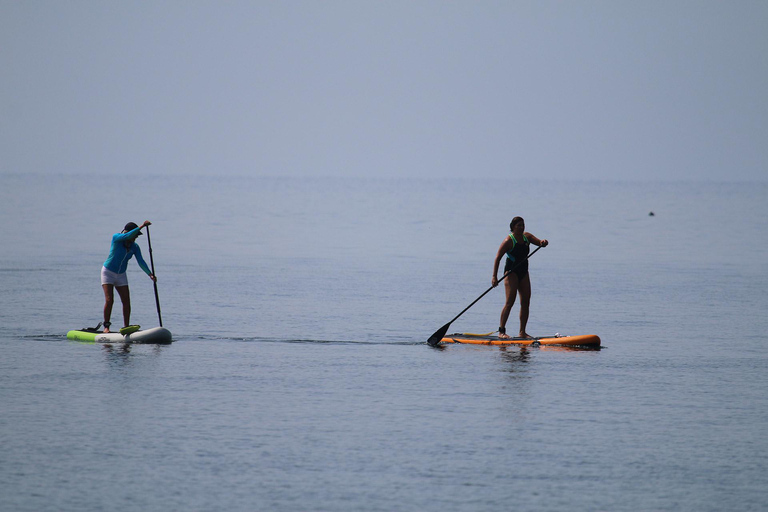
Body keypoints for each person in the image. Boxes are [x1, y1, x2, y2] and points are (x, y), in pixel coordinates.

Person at [491, 217, 548, 339]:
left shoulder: (527, 237)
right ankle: (501, 331)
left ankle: (522, 332)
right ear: (513, 227)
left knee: (526, 302)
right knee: (510, 301)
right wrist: (494, 277)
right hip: (511, 272)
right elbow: (497, 258)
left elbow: (539, 243)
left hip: (524, 271)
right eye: (519, 225)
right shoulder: (508, 241)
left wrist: (543, 242)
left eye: (523, 225)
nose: (522, 227)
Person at [101, 221, 156, 333]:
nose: (135, 238)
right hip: (108, 272)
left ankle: (126, 327)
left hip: (121, 274)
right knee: (109, 300)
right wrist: (142, 226)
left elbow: (141, 261)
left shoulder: (134, 247)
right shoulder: (116, 238)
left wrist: (150, 274)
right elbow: (127, 236)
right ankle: (106, 327)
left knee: (126, 301)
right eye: (135, 235)